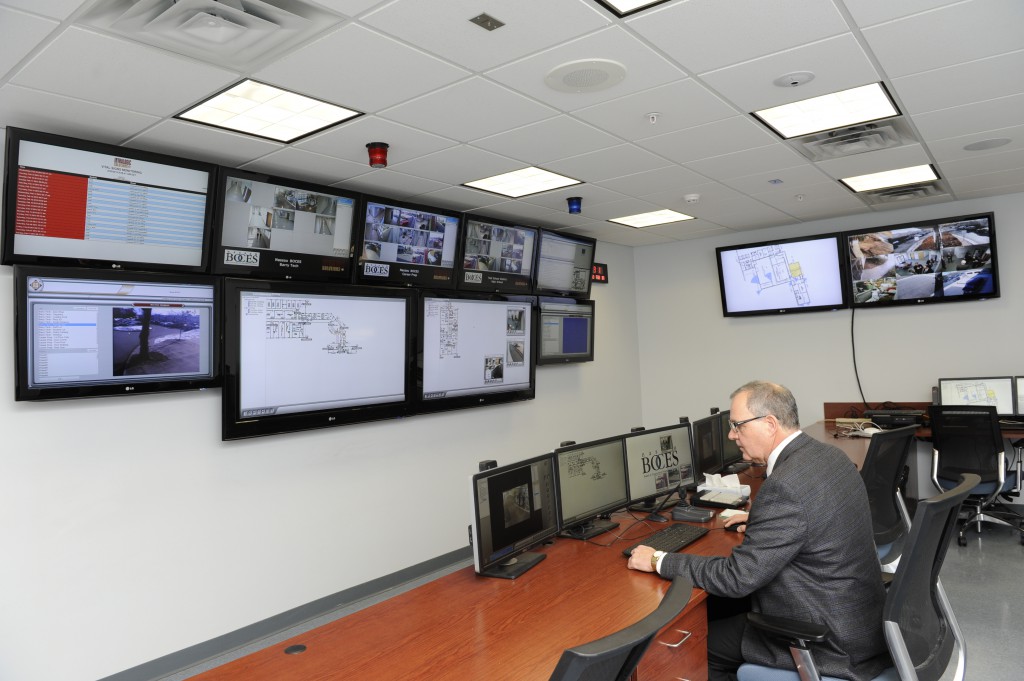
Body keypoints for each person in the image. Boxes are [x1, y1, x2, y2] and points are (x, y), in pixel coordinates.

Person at [627, 381, 890, 681]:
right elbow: (815, 518)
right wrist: (764, 522)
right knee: (718, 611)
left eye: (737, 425)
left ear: (769, 424)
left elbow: (736, 578)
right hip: (860, 618)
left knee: (694, 649)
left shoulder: (784, 486)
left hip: (827, 638)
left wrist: (657, 560)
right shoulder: (829, 456)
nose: (731, 435)